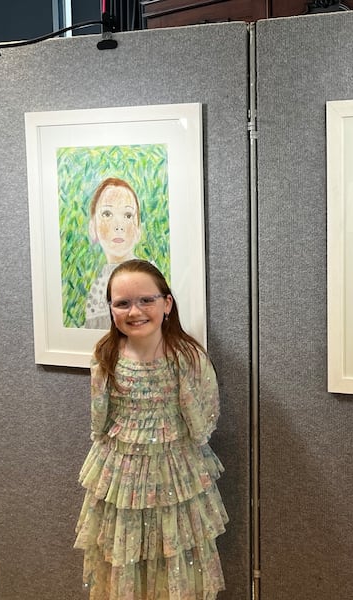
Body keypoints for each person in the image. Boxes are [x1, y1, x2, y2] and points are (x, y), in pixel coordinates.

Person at [74, 259, 227, 600]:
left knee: (174, 558)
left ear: (166, 303)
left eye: (146, 300)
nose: (135, 311)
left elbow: (204, 420)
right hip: (120, 477)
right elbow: (100, 422)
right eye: (122, 303)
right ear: (111, 308)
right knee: (123, 558)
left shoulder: (186, 357)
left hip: (175, 475)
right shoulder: (106, 355)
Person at [84, 178, 143, 329]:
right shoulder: (97, 288)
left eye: (128, 215)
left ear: (138, 229)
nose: (118, 225)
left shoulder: (148, 278)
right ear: (93, 227)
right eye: (107, 214)